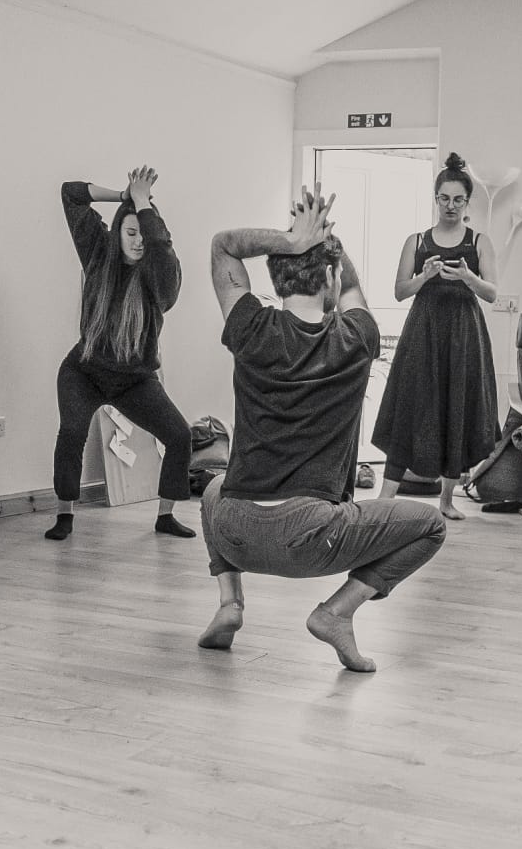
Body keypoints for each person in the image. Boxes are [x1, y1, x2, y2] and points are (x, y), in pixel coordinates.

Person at [198, 190, 447, 672]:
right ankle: (336, 612)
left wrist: (292, 240)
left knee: (213, 487)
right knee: (431, 525)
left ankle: (230, 601)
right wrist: (326, 238)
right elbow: (348, 285)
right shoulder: (356, 337)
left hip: (235, 530)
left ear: (275, 274)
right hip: (311, 539)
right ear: (330, 277)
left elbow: (222, 245)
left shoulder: (251, 328)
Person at [44, 167, 196, 542]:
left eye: (144, 233)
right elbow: (71, 193)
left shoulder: (159, 279)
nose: (138, 241)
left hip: (135, 380)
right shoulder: (97, 252)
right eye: (130, 233)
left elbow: (161, 248)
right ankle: (65, 514)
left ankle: (165, 516)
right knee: (72, 431)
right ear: (118, 233)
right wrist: (126, 196)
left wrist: (144, 205)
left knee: (179, 435)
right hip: (84, 372)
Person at [370, 151, 500, 520]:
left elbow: (492, 293)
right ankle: (385, 496)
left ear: (467, 202)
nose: (451, 206)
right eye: (444, 198)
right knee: (410, 404)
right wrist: (424, 276)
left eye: (458, 199)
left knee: (456, 407)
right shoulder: (416, 241)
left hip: (464, 334)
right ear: (436, 198)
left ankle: (446, 500)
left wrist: (467, 278)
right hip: (422, 334)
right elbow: (399, 291)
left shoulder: (479, 242)